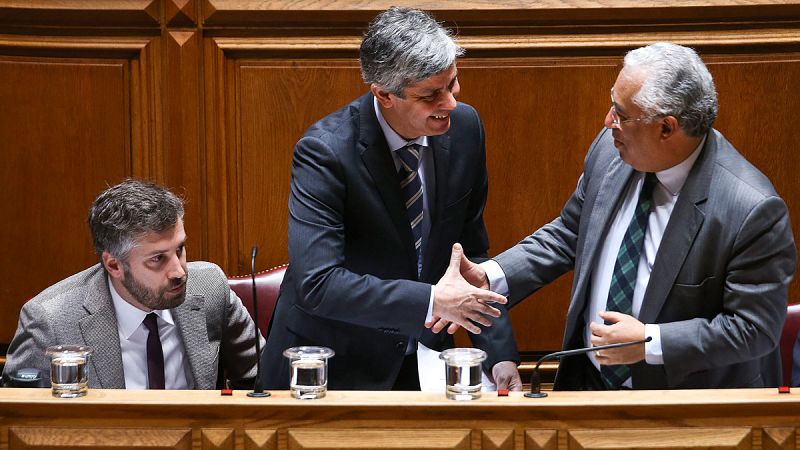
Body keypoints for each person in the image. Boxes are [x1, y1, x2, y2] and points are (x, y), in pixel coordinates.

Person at [449, 42, 796, 389]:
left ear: (666, 128)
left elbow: (753, 328)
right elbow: (571, 231)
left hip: (682, 401)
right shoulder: (612, 149)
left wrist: (650, 342)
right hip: (587, 383)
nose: (608, 121)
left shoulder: (750, 210)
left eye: (621, 114)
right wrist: (492, 275)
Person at [260, 6, 521, 391]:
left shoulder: (465, 128)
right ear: (384, 94)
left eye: (452, 83)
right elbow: (318, 283)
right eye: (431, 95)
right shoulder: (325, 152)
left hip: (424, 364)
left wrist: (499, 356)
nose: (450, 103)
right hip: (332, 368)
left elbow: (468, 257)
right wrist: (433, 301)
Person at [2, 179, 264, 389]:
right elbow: (19, 420)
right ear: (114, 265)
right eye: (157, 259)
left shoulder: (210, 288)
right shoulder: (51, 322)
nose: (178, 271)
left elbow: (263, 381)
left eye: (180, 249)